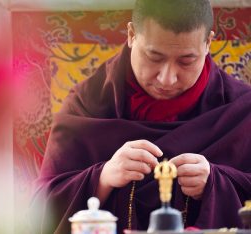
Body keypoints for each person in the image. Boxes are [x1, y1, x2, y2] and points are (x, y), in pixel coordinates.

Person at [31, 0, 251, 233]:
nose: (167, 79)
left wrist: (218, 183)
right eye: (154, 57)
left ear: (208, 43)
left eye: (186, 60)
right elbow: (39, 210)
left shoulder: (241, 109)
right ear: (131, 34)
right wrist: (103, 178)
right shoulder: (87, 105)